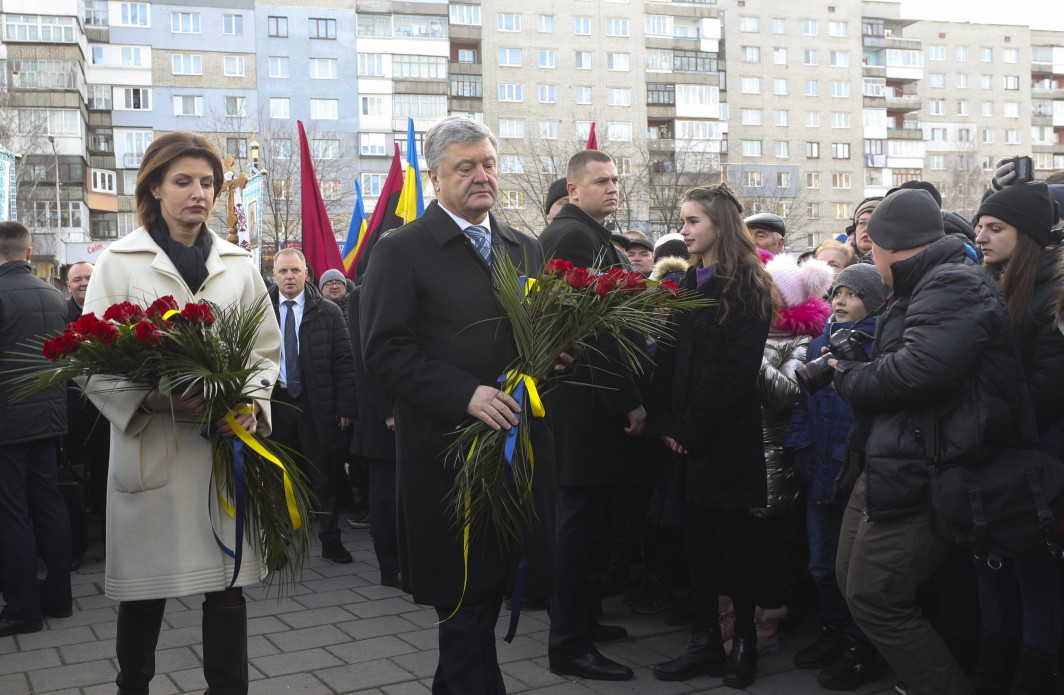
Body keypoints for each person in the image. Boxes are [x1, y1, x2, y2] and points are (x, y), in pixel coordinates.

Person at [79, 132, 281, 695]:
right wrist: (147, 399)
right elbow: (86, 357)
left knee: (227, 588)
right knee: (146, 594)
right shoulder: (118, 262)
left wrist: (250, 406)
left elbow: (266, 350)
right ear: (155, 187)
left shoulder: (239, 265)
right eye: (184, 181)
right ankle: (133, 685)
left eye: (209, 183)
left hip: (220, 451)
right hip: (153, 452)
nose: (199, 193)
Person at [360, 116, 556, 694]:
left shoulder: (524, 247)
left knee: (489, 594)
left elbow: (537, 334)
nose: (481, 176)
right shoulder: (401, 251)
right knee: (463, 595)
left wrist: (555, 359)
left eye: (488, 164)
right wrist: (462, 394)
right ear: (436, 177)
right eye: (465, 167)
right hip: (447, 456)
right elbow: (383, 351)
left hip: (516, 450)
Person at [832, 188, 1031, 695]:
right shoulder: (924, 283)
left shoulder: (951, 284)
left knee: (877, 598)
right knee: (853, 582)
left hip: (929, 467)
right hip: (895, 459)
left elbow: (921, 372)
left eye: (868, 244)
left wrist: (849, 375)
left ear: (885, 244)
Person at [650, 184, 775, 687]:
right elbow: (667, 360)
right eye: (683, 221)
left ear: (719, 225)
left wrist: (690, 430)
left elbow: (735, 372)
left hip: (723, 438)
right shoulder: (686, 285)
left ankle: (743, 643)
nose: (684, 231)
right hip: (683, 439)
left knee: (734, 546)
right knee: (697, 545)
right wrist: (665, 424)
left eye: (692, 221)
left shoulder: (748, 285)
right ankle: (704, 641)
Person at [539, 149, 647, 682]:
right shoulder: (576, 238)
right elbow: (595, 332)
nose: (612, 188)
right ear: (574, 190)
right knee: (578, 528)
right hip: (583, 405)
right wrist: (626, 398)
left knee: (587, 525)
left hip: (586, 405)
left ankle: (581, 619)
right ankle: (570, 645)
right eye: (601, 181)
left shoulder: (591, 235)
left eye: (615, 180)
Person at [968, 181, 1064, 694]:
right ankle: (990, 674)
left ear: (1026, 235)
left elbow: (1048, 391)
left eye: (995, 227)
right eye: (980, 225)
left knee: (1034, 579)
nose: (980, 236)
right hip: (999, 455)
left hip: (1037, 462)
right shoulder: (996, 282)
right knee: (991, 570)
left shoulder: (1054, 293)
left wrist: (981, 414)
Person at [785, 263, 887, 690]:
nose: (840, 301)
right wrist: (800, 448)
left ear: (877, 301)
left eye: (852, 294)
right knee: (822, 566)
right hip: (821, 471)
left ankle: (860, 647)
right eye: (836, 293)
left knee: (857, 573)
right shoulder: (819, 347)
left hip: (859, 475)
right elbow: (802, 408)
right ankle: (832, 632)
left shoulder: (881, 348)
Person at [749, 255, 833, 654]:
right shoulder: (755, 332)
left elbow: (786, 393)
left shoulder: (802, 341)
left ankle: (769, 625)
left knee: (770, 546)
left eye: (768, 294)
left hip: (776, 462)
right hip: (744, 454)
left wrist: (749, 352)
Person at [0, 221, 73, 637]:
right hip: (49, 416)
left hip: (8, 423)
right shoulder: (54, 294)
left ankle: (24, 608)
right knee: (48, 503)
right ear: (29, 253)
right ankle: (59, 599)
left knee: (11, 514)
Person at [268, 249, 357, 564]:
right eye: (283, 271)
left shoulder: (328, 312)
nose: (289, 277)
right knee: (276, 477)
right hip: (276, 405)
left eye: (295, 270)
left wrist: (346, 406)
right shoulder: (260, 309)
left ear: (307, 273)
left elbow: (344, 363)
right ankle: (276, 547)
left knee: (325, 477)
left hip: (316, 405)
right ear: (274, 275)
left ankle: (331, 541)